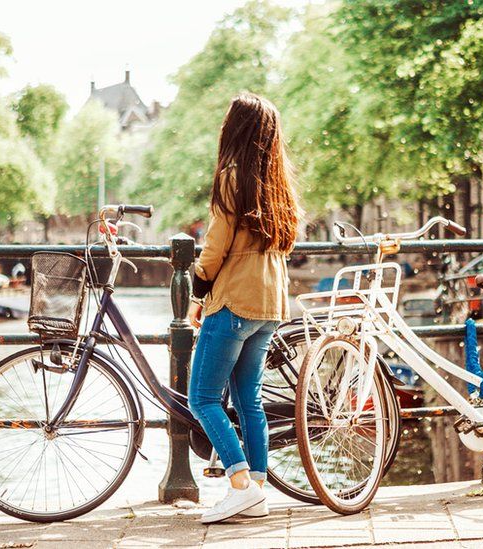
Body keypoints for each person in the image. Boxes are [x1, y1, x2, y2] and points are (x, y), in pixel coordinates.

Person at [187, 93, 300, 524]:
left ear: (235, 129)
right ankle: (258, 489)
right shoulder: (277, 181)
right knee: (248, 400)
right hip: (269, 304)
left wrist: (198, 288)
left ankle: (240, 486)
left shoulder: (233, 176)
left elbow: (216, 246)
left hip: (233, 300)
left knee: (202, 398)